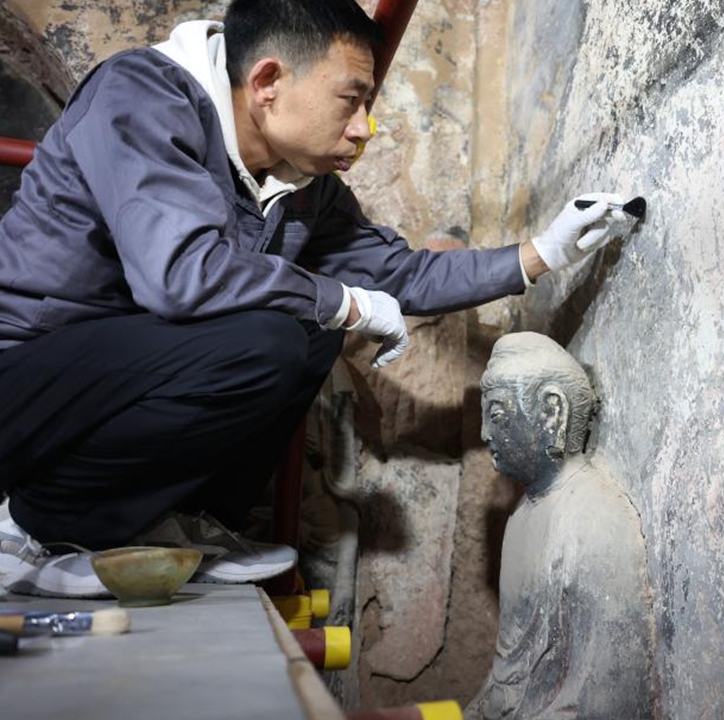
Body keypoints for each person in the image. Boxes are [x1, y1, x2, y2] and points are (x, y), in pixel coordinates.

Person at [0, 0, 636, 598]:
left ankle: (174, 522)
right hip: (27, 379)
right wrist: (344, 303)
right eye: (350, 100)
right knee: (276, 335)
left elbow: (401, 276)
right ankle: (35, 533)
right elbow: (180, 275)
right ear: (269, 81)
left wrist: (545, 252)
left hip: (120, 383)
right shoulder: (142, 95)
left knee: (308, 334)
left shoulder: (302, 185)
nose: (365, 128)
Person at [466, 333, 654, 720]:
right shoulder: (520, 517)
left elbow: (609, 701)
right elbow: (506, 681)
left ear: (552, 412)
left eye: (497, 414)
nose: (485, 434)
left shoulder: (596, 520)